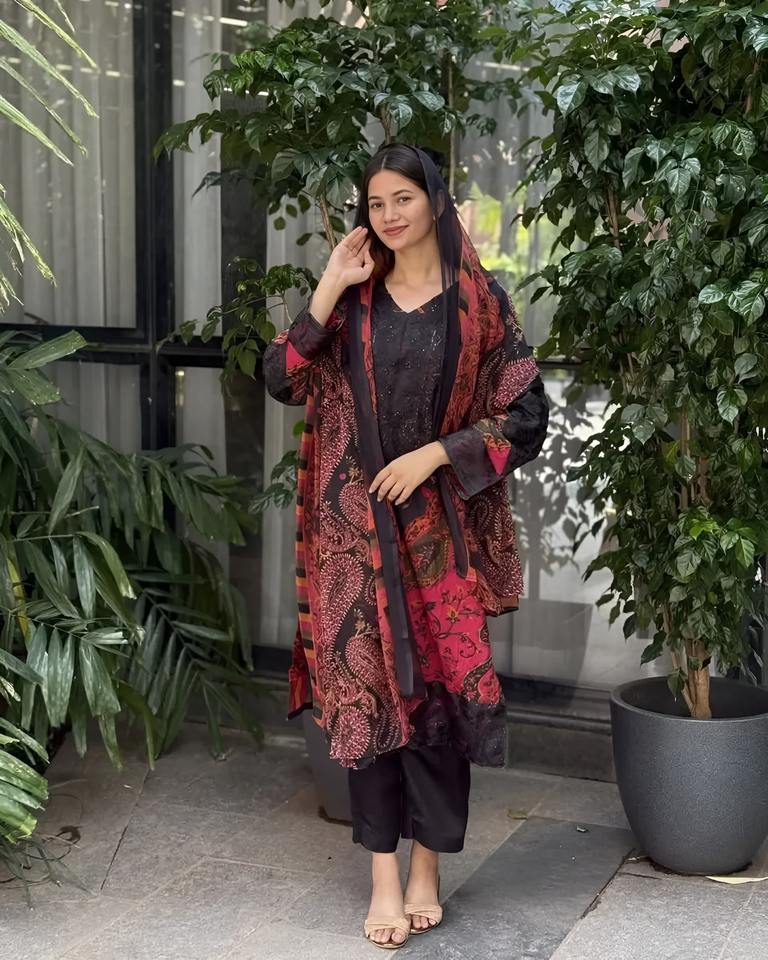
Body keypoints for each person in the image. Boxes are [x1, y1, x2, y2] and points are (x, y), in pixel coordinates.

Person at [263, 143, 549, 949]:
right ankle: (384, 880)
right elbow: (280, 377)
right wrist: (327, 286)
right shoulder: (353, 302)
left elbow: (528, 414)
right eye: (376, 203)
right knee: (367, 703)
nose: (388, 214)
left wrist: (437, 455)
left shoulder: (478, 303)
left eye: (403, 198)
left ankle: (427, 869)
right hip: (353, 541)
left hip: (437, 539)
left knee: (441, 707)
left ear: (435, 201)